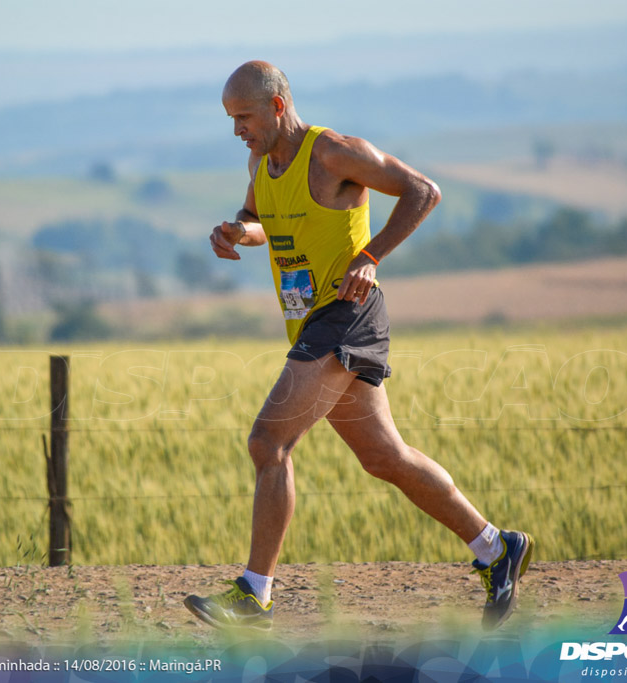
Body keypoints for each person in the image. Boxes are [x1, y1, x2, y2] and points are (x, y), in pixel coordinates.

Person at [183, 61, 532, 631]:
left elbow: (424, 191)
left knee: (268, 441)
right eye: (230, 119)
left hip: (345, 316)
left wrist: (369, 257)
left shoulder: (333, 154)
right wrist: (235, 233)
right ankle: (497, 548)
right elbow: (260, 218)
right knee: (385, 458)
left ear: (276, 106)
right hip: (314, 324)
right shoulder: (262, 163)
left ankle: (254, 594)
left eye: (243, 116)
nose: (237, 129)